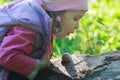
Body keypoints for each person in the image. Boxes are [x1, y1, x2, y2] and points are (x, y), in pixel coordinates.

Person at [0, 0, 88, 80]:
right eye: (75, 19)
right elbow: (7, 56)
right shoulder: (30, 26)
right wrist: (40, 65)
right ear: (58, 14)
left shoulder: (43, 22)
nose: (77, 26)